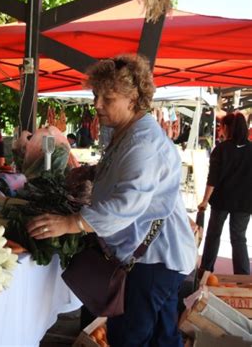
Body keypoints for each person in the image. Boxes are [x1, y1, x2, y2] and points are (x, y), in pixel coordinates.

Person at [26, 54, 197, 346]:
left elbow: (125, 205)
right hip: (155, 258)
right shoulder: (127, 131)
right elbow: (126, 175)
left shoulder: (143, 143)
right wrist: (92, 172)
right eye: (96, 95)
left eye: (108, 97)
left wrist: (71, 223)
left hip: (152, 262)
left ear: (133, 99)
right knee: (161, 337)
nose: (97, 104)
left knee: (131, 338)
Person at [198, 112, 252, 275]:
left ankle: (205, 270)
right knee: (239, 238)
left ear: (228, 128)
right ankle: (243, 276)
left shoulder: (221, 149)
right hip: (245, 202)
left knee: (214, 234)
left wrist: (204, 200)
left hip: (221, 199)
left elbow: (212, 177)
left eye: (222, 126)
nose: (221, 130)